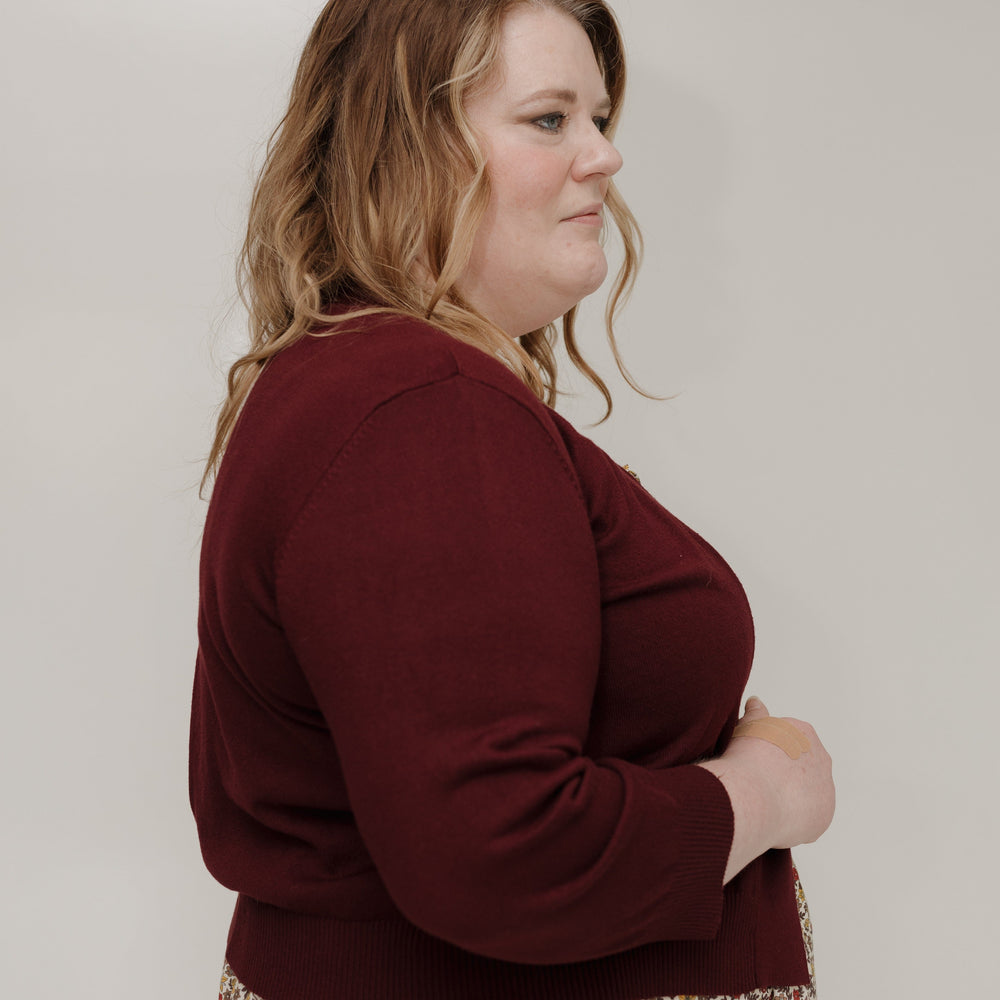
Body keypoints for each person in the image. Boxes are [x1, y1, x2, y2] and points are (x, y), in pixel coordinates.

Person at [189, 1, 836, 998]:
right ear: (405, 149)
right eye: (549, 118)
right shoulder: (421, 410)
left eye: (600, 117)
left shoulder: (361, 384)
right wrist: (765, 792)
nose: (604, 156)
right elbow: (505, 852)